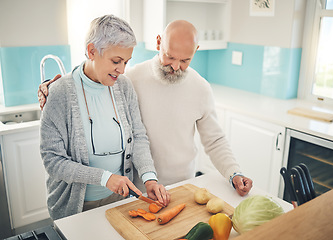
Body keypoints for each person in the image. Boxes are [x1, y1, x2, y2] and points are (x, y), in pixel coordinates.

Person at [39, 20, 253, 197]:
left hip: (181, 185)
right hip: (136, 188)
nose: (176, 66)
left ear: (196, 51)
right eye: (170, 57)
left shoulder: (201, 89)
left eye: (185, 60)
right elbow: (95, 72)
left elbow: (215, 140)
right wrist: (55, 86)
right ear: (158, 43)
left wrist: (233, 172)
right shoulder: (130, 79)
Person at [40, 15, 169, 220]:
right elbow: (52, 160)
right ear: (92, 51)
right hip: (78, 207)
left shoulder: (124, 86)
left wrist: (149, 178)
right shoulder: (60, 93)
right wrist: (104, 178)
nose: (122, 69)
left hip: (121, 201)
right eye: (116, 61)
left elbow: (138, 136)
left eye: (126, 61)